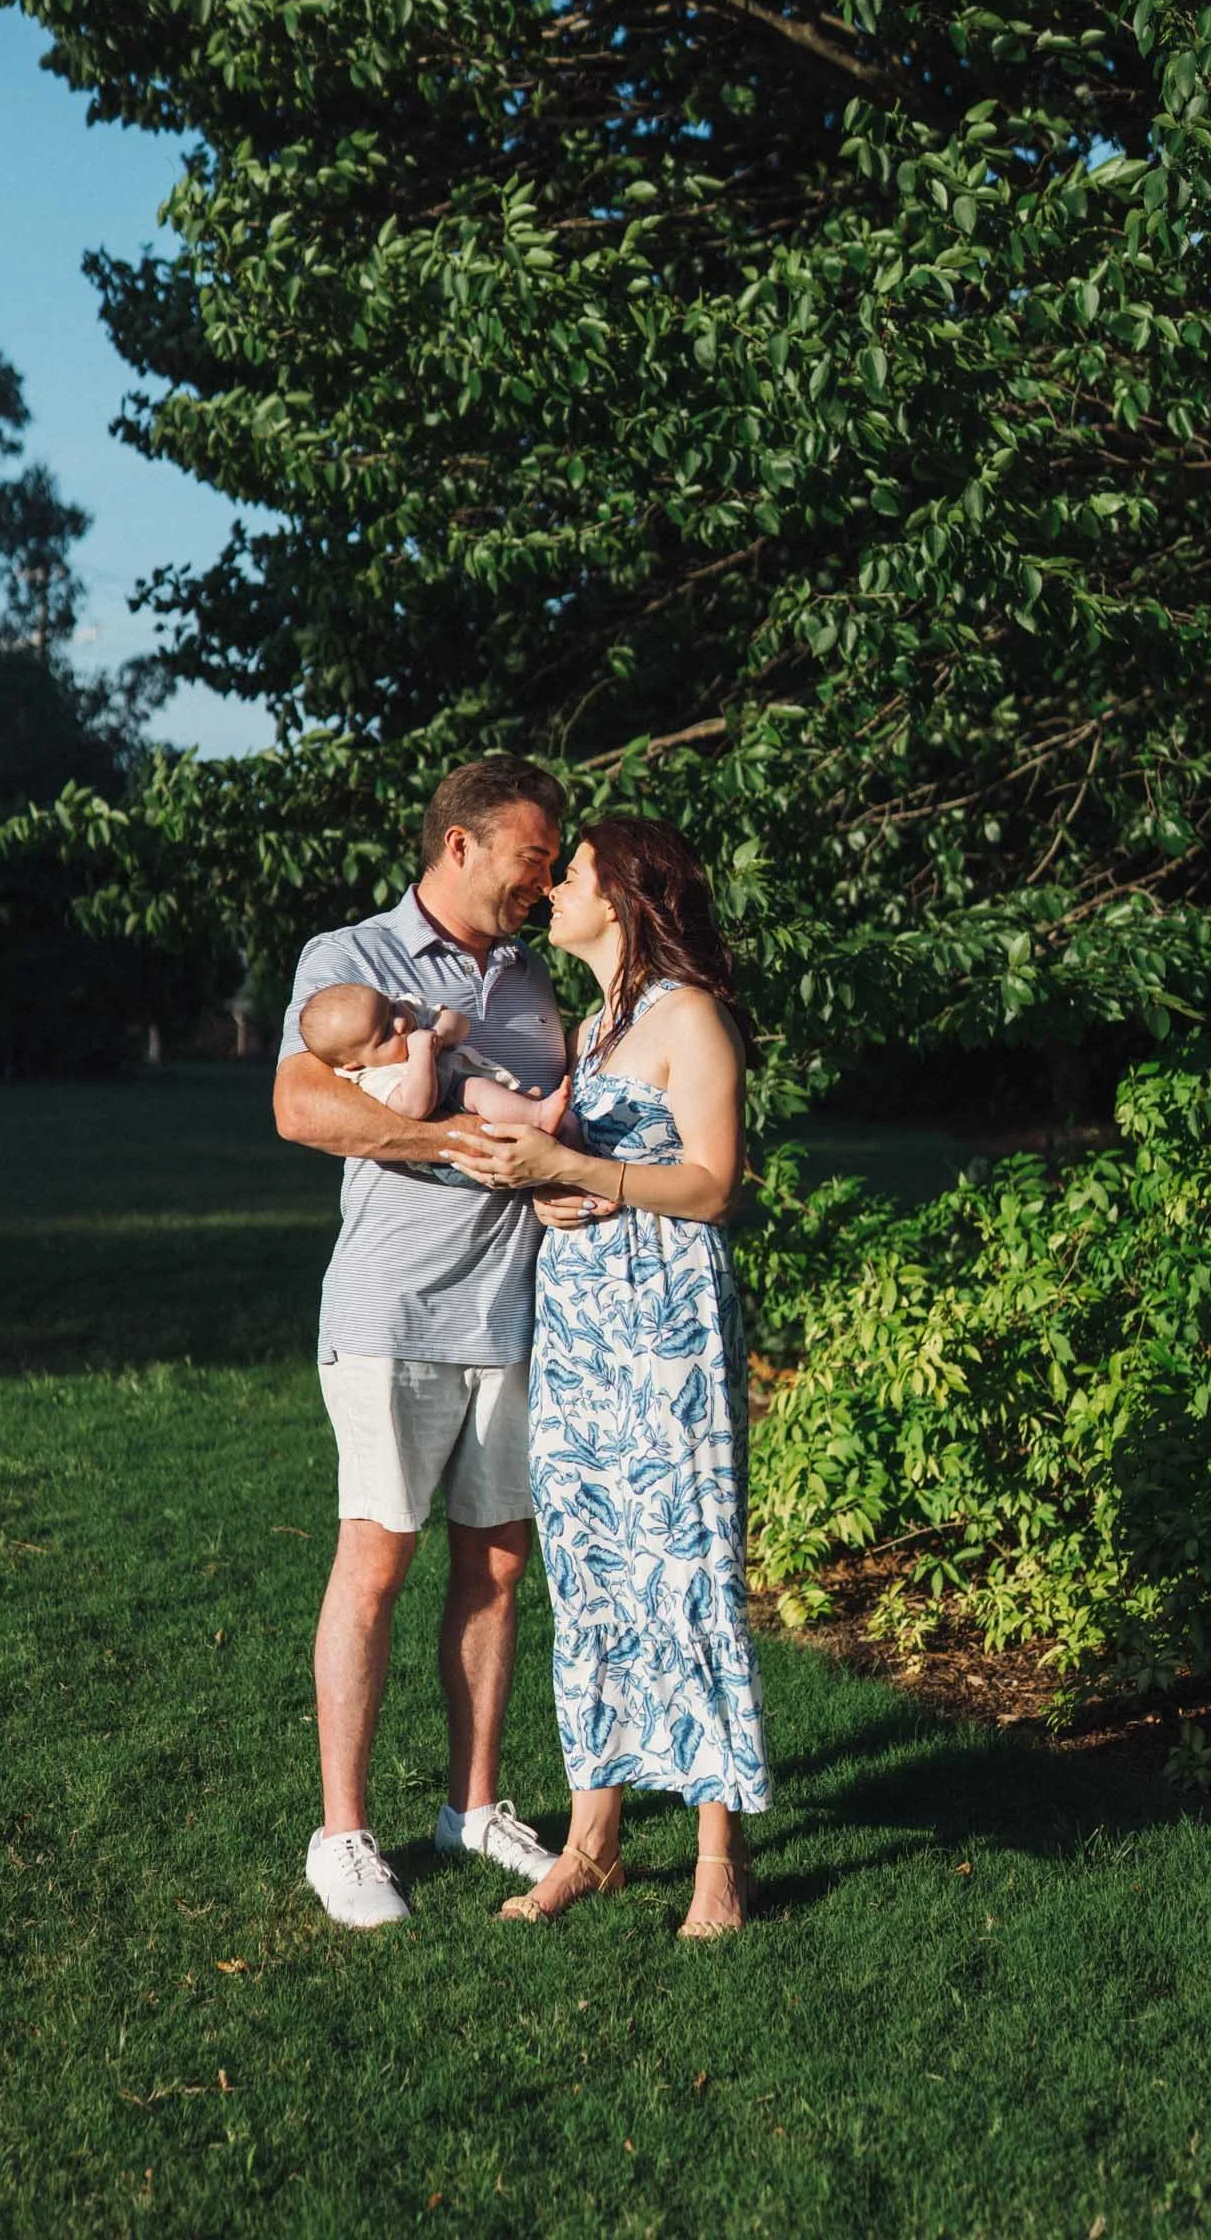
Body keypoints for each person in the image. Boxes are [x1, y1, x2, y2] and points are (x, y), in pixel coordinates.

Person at [275, 755, 601, 1930]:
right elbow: (299, 1107)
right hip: (393, 1318)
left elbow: (570, 1120)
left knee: (499, 1565)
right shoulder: (348, 958)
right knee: (377, 1564)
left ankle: (474, 1806)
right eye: (531, 855)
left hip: (514, 1316)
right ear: (459, 846)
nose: (546, 876)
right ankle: (344, 1836)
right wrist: (450, 1141)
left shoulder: (531, 974)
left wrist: (568, 1182)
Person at [444, 815, 773, 1940]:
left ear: (628, 897)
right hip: (581, 1319)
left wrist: (577, 1167)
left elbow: (714, 1183)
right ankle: (594, 1844)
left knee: (686, 1564)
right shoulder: (591, 1025)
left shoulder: (690, 1018)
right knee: (590, 1570)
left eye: (572, 875)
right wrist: (546, 1184)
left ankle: (716, 1859)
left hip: (668, 1319)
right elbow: (568, 1163)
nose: (552, 892)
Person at [298, 981, 576, 1134]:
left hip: (463, 1090)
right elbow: (417, 1106)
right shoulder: (374, 1077)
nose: (399, 1023)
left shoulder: (410, 1013)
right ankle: (538, 1115)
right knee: (474, 1088)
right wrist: (421, 1055)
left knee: (479, 1088)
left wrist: (439, 1033)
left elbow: (460, 1023)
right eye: (384, 1035)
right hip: (449, 1113)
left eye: (390, 1007)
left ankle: (522, 1109)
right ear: (355, 1063)